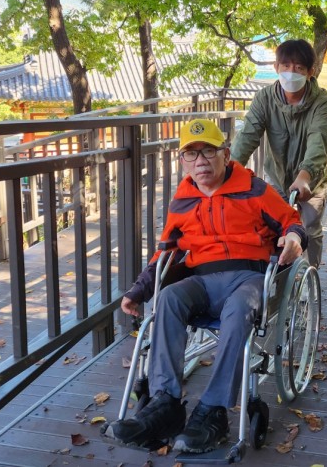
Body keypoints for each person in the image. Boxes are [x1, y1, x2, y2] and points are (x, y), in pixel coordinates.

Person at [103, 118, 307, 454]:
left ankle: (213, 410)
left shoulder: (254, 189)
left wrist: (294, 238)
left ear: (226, 154)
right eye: (191, 153)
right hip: (201, 279)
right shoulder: (182, 201)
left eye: (208, 151)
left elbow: (291, 221)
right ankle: (165, 404)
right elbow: (166, 252)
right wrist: (139, 290)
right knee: (169, 297)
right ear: (183, 161)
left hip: (249, 277)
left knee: (240, 307)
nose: (200, 160)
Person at [230, 39, 327, 268]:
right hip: (277, 175)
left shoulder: (323, 102)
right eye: (286, 66)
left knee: (310, 228)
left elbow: (319, 141)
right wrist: (229, 172)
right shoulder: (264, 98)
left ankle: (310, 274)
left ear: (310, 72)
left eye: (299, 68)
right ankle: (278, 273)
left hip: (313, 180)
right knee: (273, 226)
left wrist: (305, 176)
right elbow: (248, 136)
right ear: (276, 67)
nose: (291, 72)